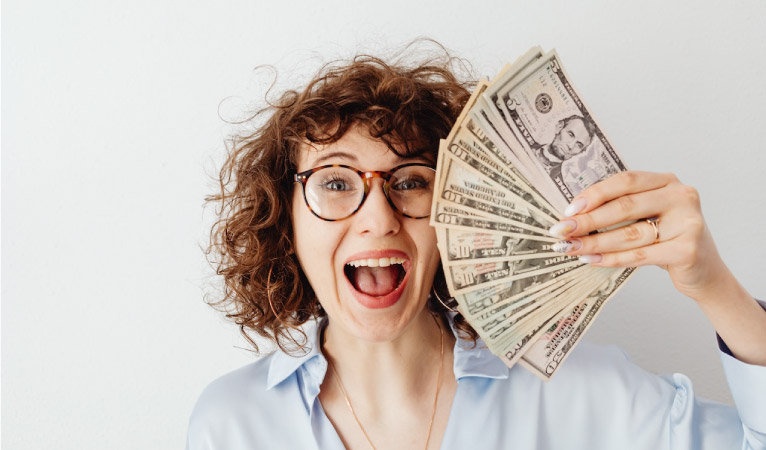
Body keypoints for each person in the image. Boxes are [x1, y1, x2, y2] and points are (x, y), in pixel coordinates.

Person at [186, 45, 766, 449]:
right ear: (285, 222)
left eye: (410, 181)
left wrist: (714, 285)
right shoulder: (231, 423)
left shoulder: (577, 392)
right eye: (336, 183)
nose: (378, 218)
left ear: (456, 213)